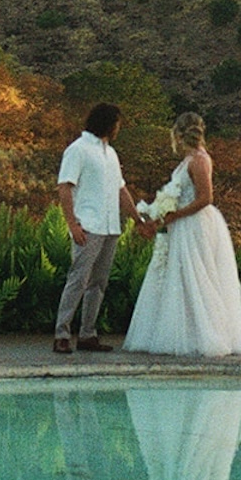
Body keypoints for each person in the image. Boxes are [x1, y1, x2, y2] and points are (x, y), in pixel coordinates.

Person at [123, 111, 241, 358]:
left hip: (195, 225)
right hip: (181, 224)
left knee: (197, 276)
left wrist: (176, 214)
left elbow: (206, 198)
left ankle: (204, 334)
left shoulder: (199, 160)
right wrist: (160, 213)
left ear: (178, 134)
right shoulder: (186, 161)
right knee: (179, 278)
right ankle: (187, 331)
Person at [54, 102, 151, 354]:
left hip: (110, 226)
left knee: (98, 282)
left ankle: (88, 333)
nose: (119, 128)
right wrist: (72, 223)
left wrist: (136, 219)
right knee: (78, 278)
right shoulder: (78, 150)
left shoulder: (111, 153)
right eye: (117, 123)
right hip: (88, 225)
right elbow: (64, 186)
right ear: (108, 124)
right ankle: (61, 333)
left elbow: (121, 190)